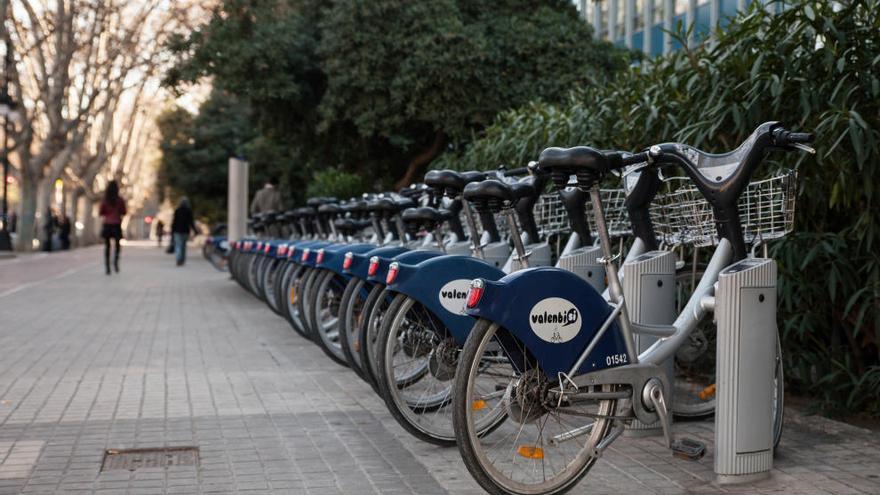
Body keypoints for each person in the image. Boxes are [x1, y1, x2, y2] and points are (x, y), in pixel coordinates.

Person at [99, 180, 126, 274]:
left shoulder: (105, 200)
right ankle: (115, 262)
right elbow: (124, 212)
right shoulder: (120, 200)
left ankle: (107, 267)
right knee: (117, 245)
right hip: (116, 224)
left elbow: (101, 212)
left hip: (107, 224)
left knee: (107, 246)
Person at [171, 197, 198, 266]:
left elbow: (174, 222)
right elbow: (191, 222)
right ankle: (182, 260)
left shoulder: (177, 210)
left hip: (177, 231)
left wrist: (172, 231)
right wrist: (195, 230)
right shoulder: (188, 211)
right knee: (183, 246)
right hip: (185, 231)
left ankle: (178, 259)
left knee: (178, 246)